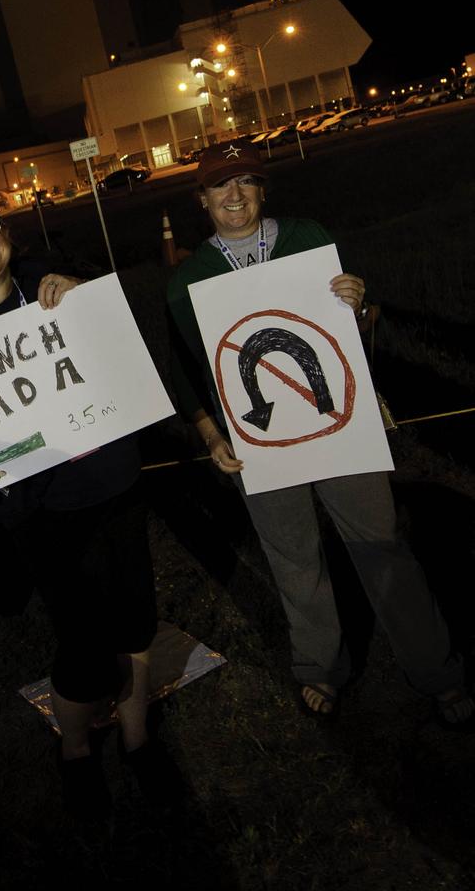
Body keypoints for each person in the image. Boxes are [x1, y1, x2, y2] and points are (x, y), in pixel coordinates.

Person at [166, 139, 471, 725]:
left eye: (247, 182)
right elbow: (186, 371)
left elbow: (346, 327)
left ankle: (437, 670)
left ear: (263, 190)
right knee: (294, 558)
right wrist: (210, 436)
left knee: (381, 544)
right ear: (201, 198)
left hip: (336, 426)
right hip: (262, 441)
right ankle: (320, 667)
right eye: (221, 186)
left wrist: (357, 302)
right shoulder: (188, 280)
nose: (235, 195)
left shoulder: (308, 237)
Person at [0, 192, 161, 817]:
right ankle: (73, 750)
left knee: (136, 621)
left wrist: (84, 295)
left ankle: (138, 739)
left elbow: (126, 351)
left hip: (115, 482)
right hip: (41, 513)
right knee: (87, 649)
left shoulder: (59, 291)